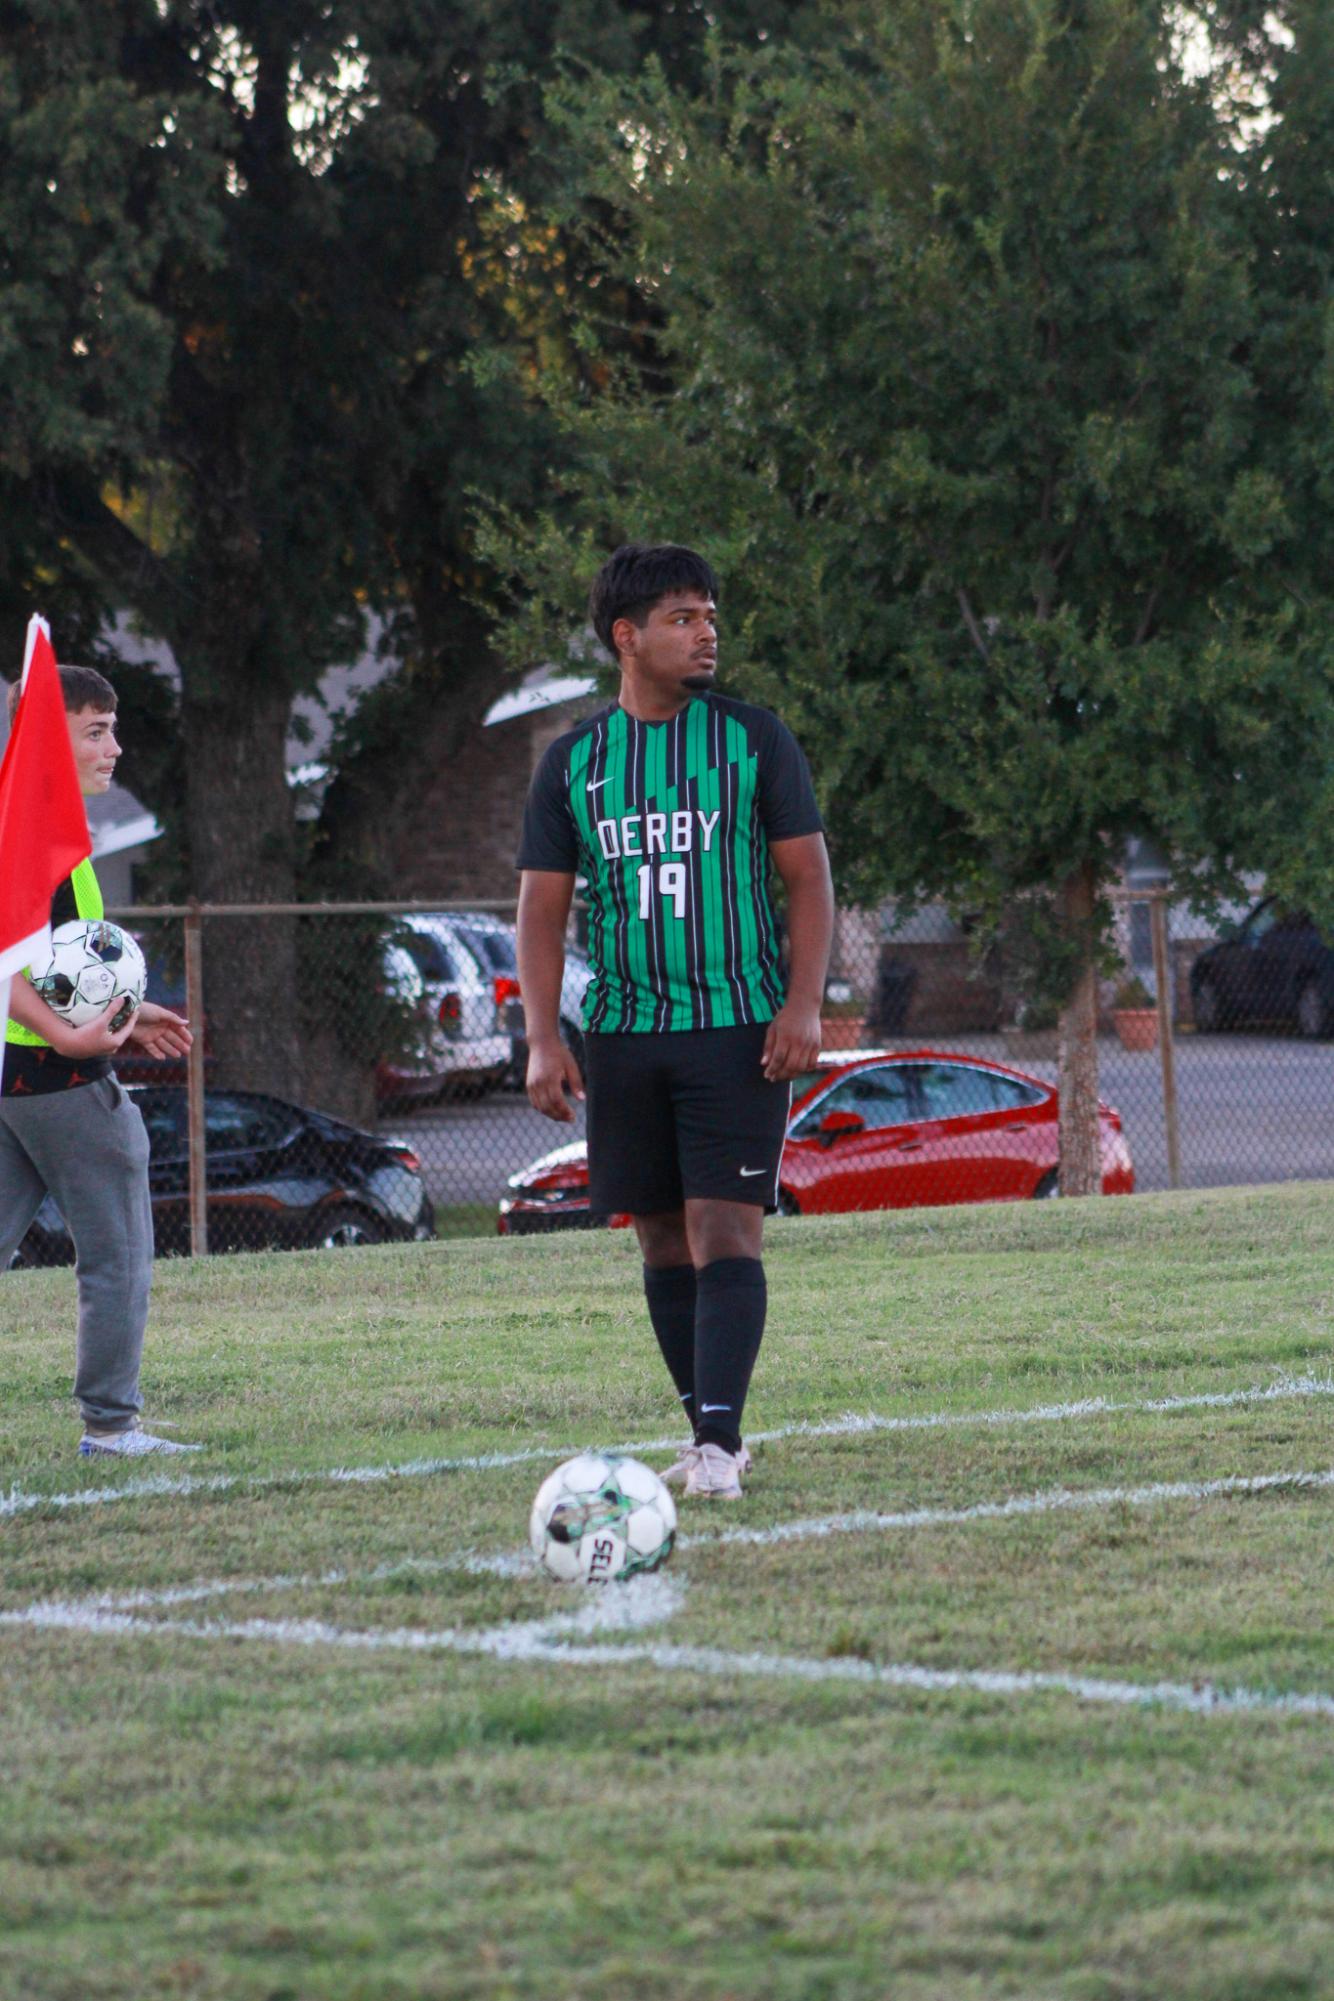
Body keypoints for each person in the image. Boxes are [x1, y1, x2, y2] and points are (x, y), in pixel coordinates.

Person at [516, 543, 833, 1500]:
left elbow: (809, 879)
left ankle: (720, 1447)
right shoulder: (574, 762)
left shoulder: (754, 739)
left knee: (726, 1230)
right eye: (684, 618)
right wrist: (541, 1036)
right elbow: (539, 910)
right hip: (622, 1034)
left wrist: (804, 1003)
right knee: (659, 1238)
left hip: (738, 1029)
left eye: (710, 617)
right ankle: (706, 1432)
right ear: (629, 636)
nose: (708, 634)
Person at [1, 664, 200, 1457]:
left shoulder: (41, 826)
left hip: (16, 1082)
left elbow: (50, 962)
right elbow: (9, 969)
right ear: (52, 738)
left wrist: (127, 1010)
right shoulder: (33, 833)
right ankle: (112, 1428)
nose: (114, 746)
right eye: (96, 729)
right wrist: (76, 1038)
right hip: (63, 1082)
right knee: (117, 1256)